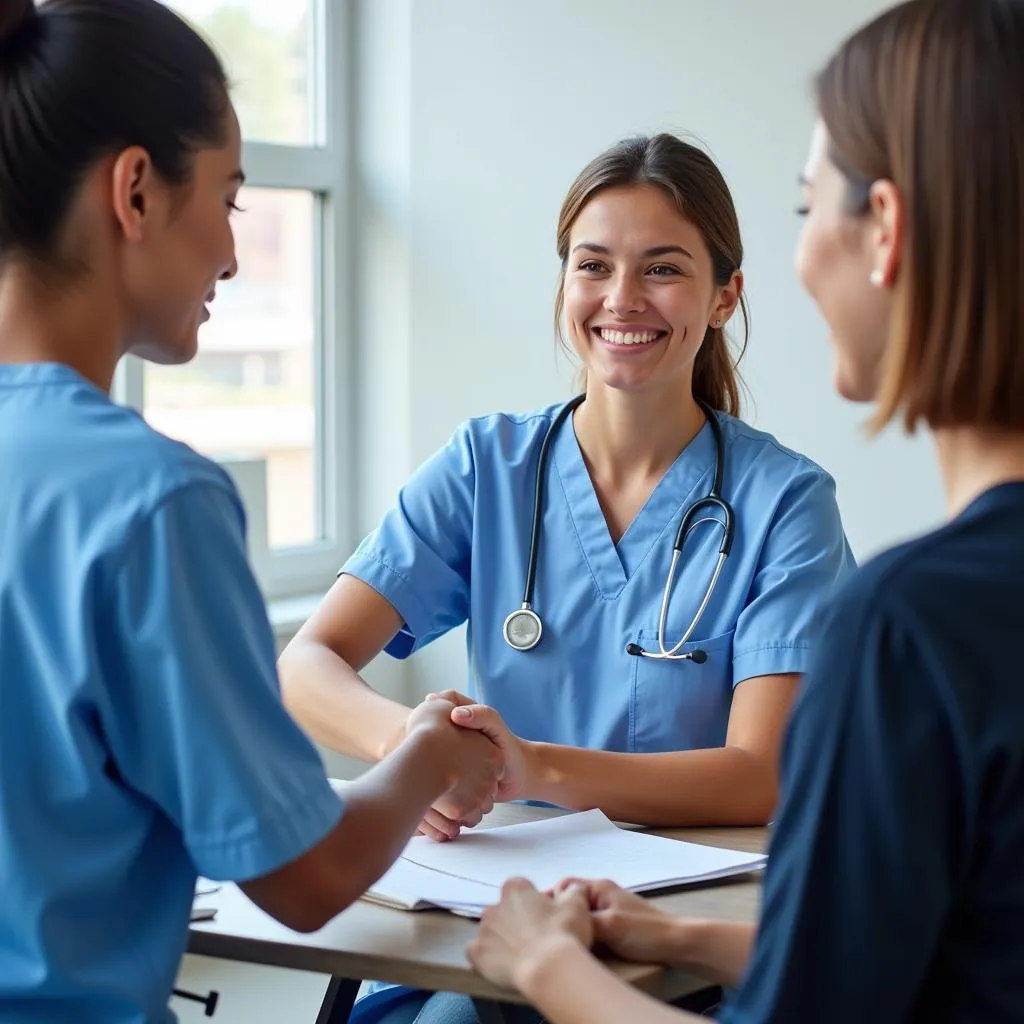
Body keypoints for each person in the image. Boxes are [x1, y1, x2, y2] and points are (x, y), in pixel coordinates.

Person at [464, 0, 1024, 1021]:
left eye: (812, 210)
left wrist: (549, 966)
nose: (806, 254)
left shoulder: (915, 624)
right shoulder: (487, 460)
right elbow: (947, 943)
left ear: (885, 231)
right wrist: (671, 934)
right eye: (592, 263)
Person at [0, 1, 504, 1020]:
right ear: (135, 191)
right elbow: (306, 878)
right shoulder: (148, 501)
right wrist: (426, 755)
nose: (233, 253)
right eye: (229, 198)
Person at [279, 133, 854, 1022]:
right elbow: (308, 663)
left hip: (682, 940)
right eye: (594, 266)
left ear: (725, 294)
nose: (622, 300)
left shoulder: (785, 503)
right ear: (564, 284)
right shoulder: (487, 466)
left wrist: (529, 766)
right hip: (492, 912)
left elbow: (763, 773)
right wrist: (415, 750)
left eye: (663, 269)